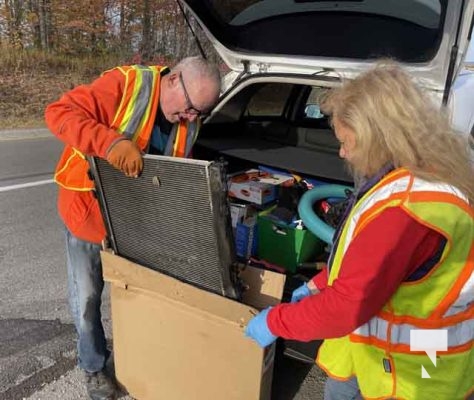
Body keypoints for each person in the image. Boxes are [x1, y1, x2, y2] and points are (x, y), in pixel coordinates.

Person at [245, 63, 474, 400]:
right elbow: (372, 260)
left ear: (375, 136)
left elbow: (346, 308)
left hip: (416, 372)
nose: (341, 152)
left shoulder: (404, 211)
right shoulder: (418, 175)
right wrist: (319, 283)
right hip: (386, 350)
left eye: (345, 142)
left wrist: (277, 321)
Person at [45, 56, 221, 400]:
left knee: (142, 296)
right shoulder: (126, 86)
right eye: (189, 109)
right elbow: (58, 113)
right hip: (89, 214)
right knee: (87, 297)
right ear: (174, 81)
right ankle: (94, 367)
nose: (191, 118)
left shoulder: (189, 116)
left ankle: (144, 361)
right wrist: (110, 143)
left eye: (199, 113)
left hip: (138, 221)